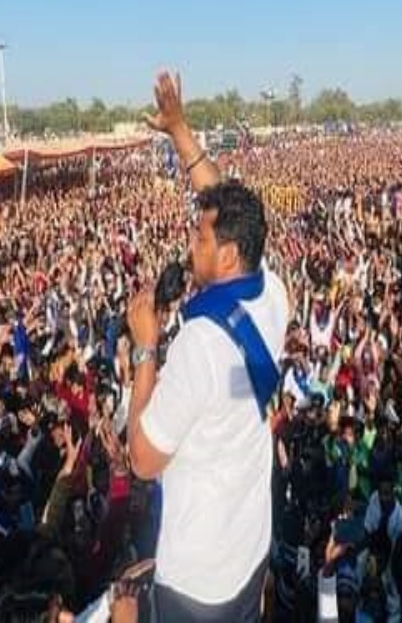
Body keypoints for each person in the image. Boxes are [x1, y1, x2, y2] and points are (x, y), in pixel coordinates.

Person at [126, 71, 290, 620]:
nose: (190, 245)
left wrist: (145, 350)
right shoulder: (270, 292)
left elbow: (143, 461)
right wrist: (180, 132)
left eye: (199, 239)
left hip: (199, 582)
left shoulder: (199, 343)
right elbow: (218, 201)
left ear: (225, 256)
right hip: (249, 550)